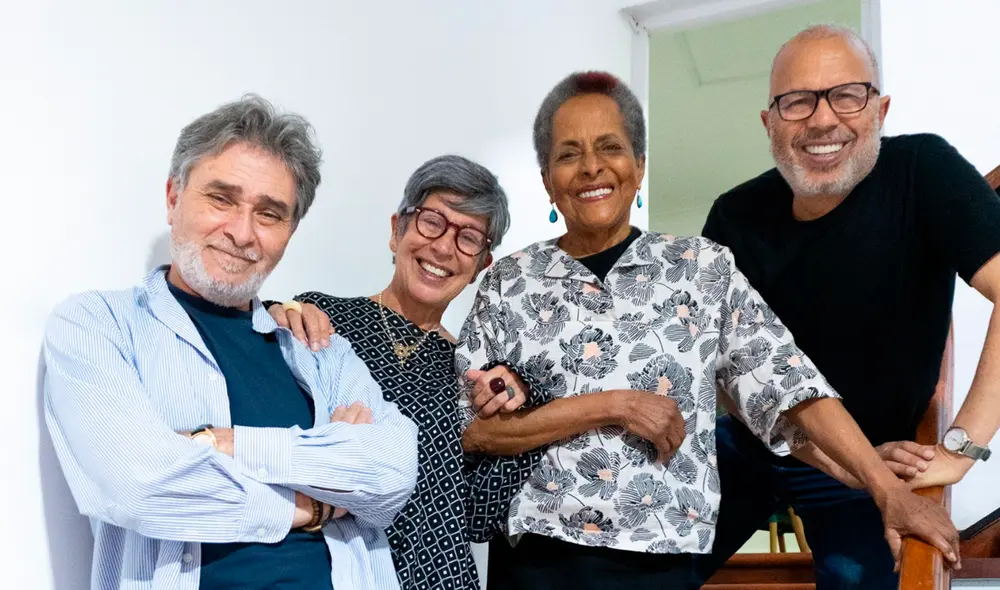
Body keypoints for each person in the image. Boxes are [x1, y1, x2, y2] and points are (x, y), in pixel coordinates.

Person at [454, 70, 960, 590]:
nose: (591, 168)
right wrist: (613, 404)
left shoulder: (701, 267)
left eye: (610, 146)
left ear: (639, 166)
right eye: (568, 154)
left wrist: (887, 491)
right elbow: (469, 431)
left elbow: (786, 381)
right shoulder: (508, 281)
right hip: (535, 554)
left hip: (662, 557)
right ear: (546, 180)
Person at [42, 95, 419, 590]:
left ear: (290, 231)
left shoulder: (318, 348)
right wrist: (313, 506)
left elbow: (391, 471)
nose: (242, 233)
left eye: (269, 214)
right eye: (221, 198)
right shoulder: (98, 325)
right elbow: (141, 488)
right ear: (174, 197)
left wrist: (223, 444)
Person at [690, 25, 1000, 589]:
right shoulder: (733, 216)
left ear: (880, 109)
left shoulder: (922, 169)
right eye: (797, 101)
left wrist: (960, 448)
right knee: (640, 556)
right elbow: (724, 372)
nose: (823, 119)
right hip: (759, 440)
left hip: (881, 459)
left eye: (847, 94)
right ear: (770, 123)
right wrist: (816, 452)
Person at [266, 154, 510, 590]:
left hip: (442, 577)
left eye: (469, 237)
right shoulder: (321, 317)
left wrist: (519, 408)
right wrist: (269, 313)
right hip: (338, 570)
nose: (443, 247)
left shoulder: (472, 373)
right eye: (432, 221)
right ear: (397, 230)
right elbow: (278, 436)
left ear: (480, 266)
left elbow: (480, 517)